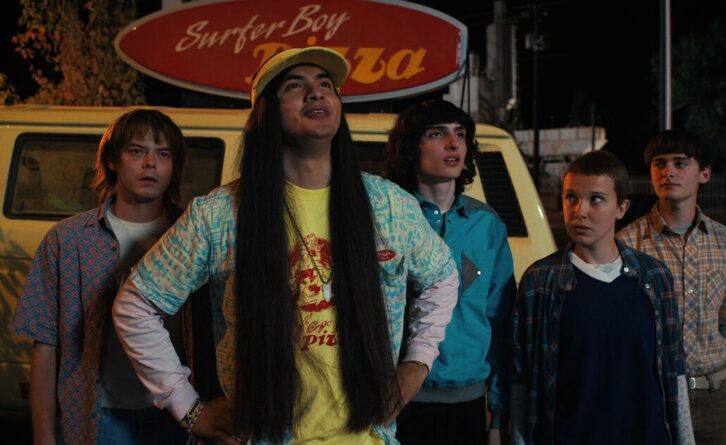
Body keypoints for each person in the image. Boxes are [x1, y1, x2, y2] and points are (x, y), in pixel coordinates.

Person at [111, 46, 459, 445]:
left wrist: (417, 362)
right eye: (295, 85)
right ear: (266, 113)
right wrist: (187, 406)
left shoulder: (388, 205)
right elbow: (135, 306)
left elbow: (442, 277)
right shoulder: (221, 214)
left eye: (325, 84)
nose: (316, 92)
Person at [12, 109, 189, 444]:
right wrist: (43, 437)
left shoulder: (194, 236)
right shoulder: (67, 240)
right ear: (112, 160)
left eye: (163, 154)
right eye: (137, 151)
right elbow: (45, 345)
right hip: (98, 417)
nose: (150, 163)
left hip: (178, 416)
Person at [510, 151, 694, 445]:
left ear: (621, 208)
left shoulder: (655, 277)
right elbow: (522, 378)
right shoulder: (541, 281)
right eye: (571, 197)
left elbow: (674, 369)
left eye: (596, 199)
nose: (580, 211)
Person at [617, 129, 726, 445]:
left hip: (716, 398)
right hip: (653, 395)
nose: (668, 171)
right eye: (659, 163)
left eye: (680, 163)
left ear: (704, 173)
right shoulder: (626, 244)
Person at [384, 100, 515, 445]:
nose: (454, 143)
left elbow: (501, 322)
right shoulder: (390, 218)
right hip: (397, 398)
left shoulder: (487, 225)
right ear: (411, 148)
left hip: (468, 403)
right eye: (437, 134)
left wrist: (498, 411)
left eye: (460, 134)